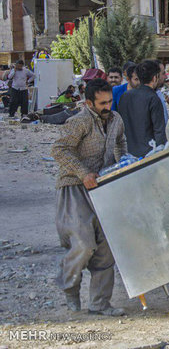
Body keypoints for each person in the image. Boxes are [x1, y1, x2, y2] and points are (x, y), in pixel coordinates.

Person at [51, 79, 126, 316]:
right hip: (74, 186)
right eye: (102, 103)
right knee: (83, 243)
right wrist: (83, 173)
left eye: (110, 101)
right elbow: (59, 150)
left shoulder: (115, 119)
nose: (107, 106)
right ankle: (69, 285)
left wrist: (123, 165)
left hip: (103, 186)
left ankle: (99, 303)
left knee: (106, 245)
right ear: (89, 102)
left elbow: (120, 143)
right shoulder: (79, 121)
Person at [118, 60, 167, 157]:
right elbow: (159, 131)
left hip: (128, 154)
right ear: (154, 78)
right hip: (149, 154)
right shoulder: (153, 98)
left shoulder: (125, 96)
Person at [153, 60, 169, 124]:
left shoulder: (158, 93)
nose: (166, 77)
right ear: (155, 77)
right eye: (163, 73)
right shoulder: (151, 97)